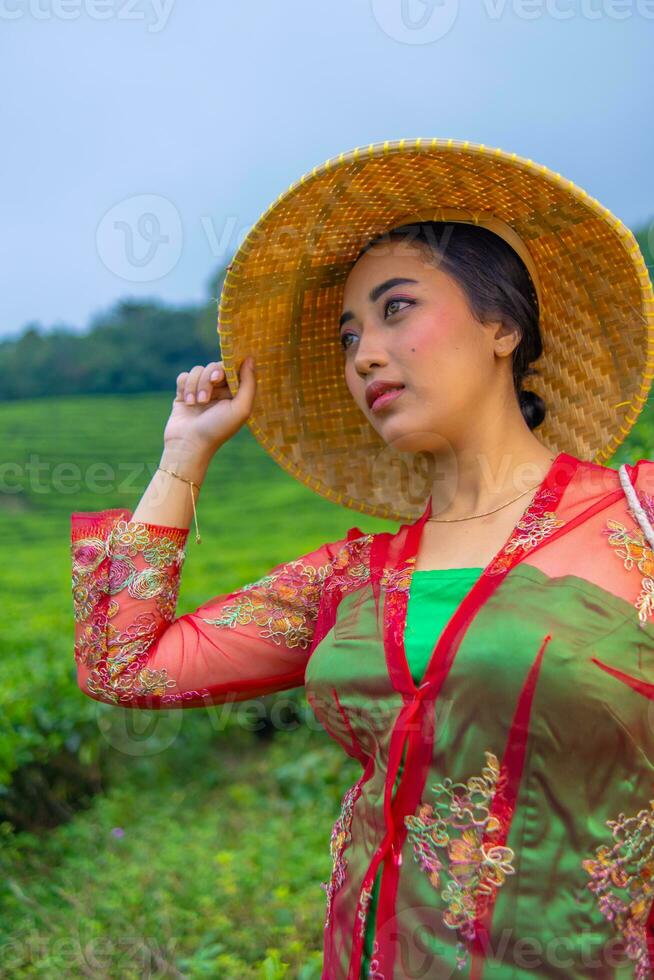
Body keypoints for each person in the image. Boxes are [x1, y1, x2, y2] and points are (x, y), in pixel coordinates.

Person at [71, 138, 654, 978]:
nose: (366, 354)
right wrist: (184, 454)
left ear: (502, 326)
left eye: (397, 310)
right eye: (349, 337)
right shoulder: (355, 577)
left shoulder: (636, 519)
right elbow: (123, 664)